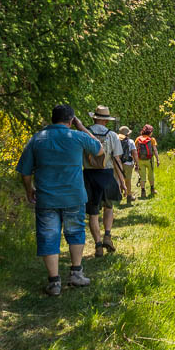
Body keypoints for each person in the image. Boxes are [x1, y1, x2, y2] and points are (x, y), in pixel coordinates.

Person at [16, 104, 102, 296]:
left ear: (52, 118)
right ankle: (76, 273)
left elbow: (25, 171)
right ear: (71, 120)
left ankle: (54, 282)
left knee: (48, 236)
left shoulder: (37, 139)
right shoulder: (78, 137)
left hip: (46, 198)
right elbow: (99, 149)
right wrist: (81, 127)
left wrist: (29, 190)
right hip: (73, 196)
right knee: (76, 232)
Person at [83, 105, 127, 257]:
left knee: (93, 213)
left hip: (89, 175)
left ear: (94, 118)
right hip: (107, 174)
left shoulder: (84, 133)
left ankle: (98, 245)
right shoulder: (112, 135)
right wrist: (122, 181)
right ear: (106, 121)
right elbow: (117, 160)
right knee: (109, 207)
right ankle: (107, 235)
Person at [135, 124, 160, 198]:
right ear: (150, 132)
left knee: (142, 176)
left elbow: (135, 150)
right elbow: (155, 150)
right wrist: (158, 159)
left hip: (140, 160)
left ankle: (143, 192)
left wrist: (135, 162)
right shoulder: (152, 139)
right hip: (150, 160)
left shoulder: (138, 139)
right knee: (151, 174)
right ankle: (152, 189)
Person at [117, 126, 139, 205]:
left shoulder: (116, 141)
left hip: (117, 163)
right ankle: (129, 196)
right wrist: (137, 163)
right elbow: (135, 153)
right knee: (128, 180)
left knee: (119, 179)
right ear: (128, 134)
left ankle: (118, 195)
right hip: (128, 163)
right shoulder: (131, 142)